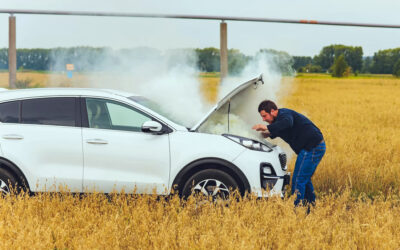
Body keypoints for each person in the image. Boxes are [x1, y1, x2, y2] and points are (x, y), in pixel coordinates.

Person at [252, 100, 325, 207]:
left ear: (272, 111)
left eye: (264, 116)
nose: (263, 119)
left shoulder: (285, 114)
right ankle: (310, 207)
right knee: (305, 179)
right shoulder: (277, 122)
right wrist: (260, 135)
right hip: (310, 148)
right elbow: (274, 131)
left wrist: (266, 127)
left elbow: (287, 123)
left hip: (312, 148)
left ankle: (297, 210)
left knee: (298, 180)